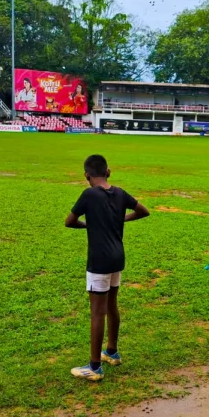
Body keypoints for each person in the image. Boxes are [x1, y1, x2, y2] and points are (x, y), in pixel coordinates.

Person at [65, 154, 150, 381]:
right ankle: (112, 351)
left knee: (97, 311)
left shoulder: (89, 194)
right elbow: (143, 211)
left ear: (86, 175)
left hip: (99, 261)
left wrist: (88, 225)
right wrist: (122, 219)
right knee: (111, 305)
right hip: (117, 257)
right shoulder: (120, 193)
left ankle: (94, 366)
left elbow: (69, 221)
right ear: (108, 172)